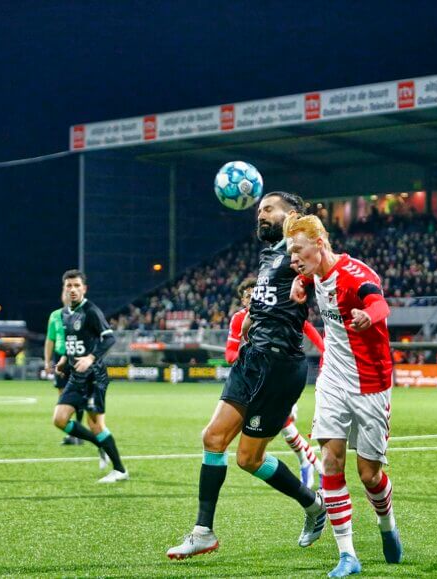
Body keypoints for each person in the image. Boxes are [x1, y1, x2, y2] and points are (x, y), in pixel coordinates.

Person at [167, 192, 325, 561]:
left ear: (293, 215)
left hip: (278, 365)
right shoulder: (270, 253)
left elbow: (323, 264)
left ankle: (314, 506)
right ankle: (203, 533)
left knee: (249, 459)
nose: (261, 215)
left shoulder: (299, 248)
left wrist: (308, 276)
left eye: (269, 209)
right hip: (251, 360)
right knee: (214, 438)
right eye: (259, 210)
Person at [286, 214, 402, 578]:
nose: (294, 259)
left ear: (319, 244)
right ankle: (347, 554)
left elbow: (380, 303)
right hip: (333, 378)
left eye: (298, 251)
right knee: (330, 462)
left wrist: (370, 316)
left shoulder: (355, 276)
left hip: (371, 382)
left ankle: (387, 525)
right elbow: (307, 274)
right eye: (291, 253)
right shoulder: (314, 271)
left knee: (369, 475)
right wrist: (299, 282)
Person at [225, 276, 324, 488]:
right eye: (248, 296)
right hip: (256, 384)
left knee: (286, 427)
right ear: (242, 301)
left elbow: (307, 327)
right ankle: (311, 464)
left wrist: (325, 349)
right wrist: (250, 354)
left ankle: (314, 466)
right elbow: (230, 355)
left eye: (256, 295)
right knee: (284, 430)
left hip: (282, 376)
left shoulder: (274, 311)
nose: (252, 299)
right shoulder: (238, 320)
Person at [51, 270, 127, 483]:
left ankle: (120, 470)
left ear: (84, 288)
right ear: (64, 289)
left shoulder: (91, 311)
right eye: (69, 286)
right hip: (76, 376)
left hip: (95, 377)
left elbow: (109, 339)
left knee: (96, 425)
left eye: (77, 285)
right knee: (59, 419)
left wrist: (91, 358)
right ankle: (99, 444)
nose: (73, 289)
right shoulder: (65, 314)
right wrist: (65, 359)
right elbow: (72, 342)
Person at [45, 291, 85, 446]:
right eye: (65, 293)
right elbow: (50, 339)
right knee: (63, 397)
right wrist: (48, 361)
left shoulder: (82, 314)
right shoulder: (55, 315)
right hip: (60, 357)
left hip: (76, 357)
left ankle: (79, 433)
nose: (68, 295)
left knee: (78, 395)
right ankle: (72, 433)